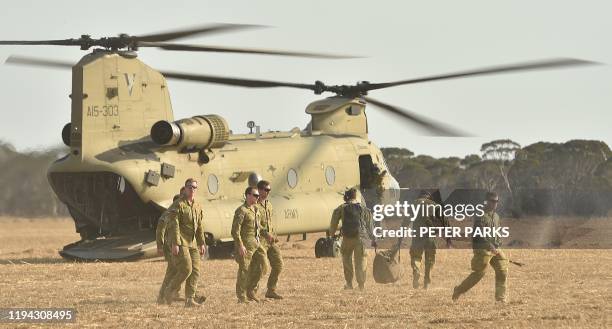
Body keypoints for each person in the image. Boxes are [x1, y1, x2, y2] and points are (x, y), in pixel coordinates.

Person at [452, 191, 508, 303]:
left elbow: (497, 232)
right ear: (486, 201)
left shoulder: (496, 216)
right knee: (479, 273)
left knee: (502, 270)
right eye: (492, 201)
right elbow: (478, 234)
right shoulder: (480, 216)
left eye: (496, 201)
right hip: (483, 249)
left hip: (495, 248)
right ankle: (458, 290)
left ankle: (500, 298)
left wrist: (498, 244)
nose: (495, 204)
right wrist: (489, 245)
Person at [164, 178, 207, 307]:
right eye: (189, 187)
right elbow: (174, 225)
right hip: (181, 241)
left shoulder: (197, 206)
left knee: (195, 270)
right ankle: (169, 290)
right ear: (185, 188)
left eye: (194, 187)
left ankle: (190, 299)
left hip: (192, 242)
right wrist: (175, 243)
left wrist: (201, 243)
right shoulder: (178, 204)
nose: (192, 189)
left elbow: (199, 226)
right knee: (186, 269)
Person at [329, 188, 376, 290]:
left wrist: (332, 234)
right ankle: (361, 285)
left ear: (347, 197)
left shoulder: (342, 207)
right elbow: (370, 225)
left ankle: (349, 283)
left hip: (347, 238)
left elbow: (334, 221)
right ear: (356, 197)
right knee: (361, 261)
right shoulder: (363, 208)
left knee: (346, 260)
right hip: (361, 239)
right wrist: (373, 238)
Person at [405, 190, 449, 290]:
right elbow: (444, 220)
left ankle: (416, 271)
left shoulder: (414, 204)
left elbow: (406, 221)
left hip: (417, 237)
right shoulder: (434, 205)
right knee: (429, 260)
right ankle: (427, 282)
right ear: (429, 197)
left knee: (416, 257)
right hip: (430, 237)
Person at [232, 186, 267, 303]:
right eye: (255, 195)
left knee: (263, 266)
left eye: (258, 195)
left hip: (256, 244)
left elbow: (259, 227)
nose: (258, 197)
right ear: (248, 195)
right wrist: (240, 245)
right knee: (244, 269)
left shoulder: (256, 210)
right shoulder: (242, 211)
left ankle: (251, 290)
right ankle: (241, 297)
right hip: (246, 245)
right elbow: (235, 231)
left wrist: (267, 235)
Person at [155, 187, 185, 304]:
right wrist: (160, 246)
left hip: (177, 245)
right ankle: (162, 295)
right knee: (173, 270)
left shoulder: (181, 212)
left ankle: (174, 293)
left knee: (178, 270)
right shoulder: (168, 214)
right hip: (170, 247)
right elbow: (160, 230)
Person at [256, 180, 284, 299]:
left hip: (271, 241)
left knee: (278, 264)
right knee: (261, 267)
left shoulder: (269, 204)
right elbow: (256, 224)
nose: (268, 192)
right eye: (266, 190)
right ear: (260, 190)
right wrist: (265, 233)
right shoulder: (254, 205)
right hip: (260, 240)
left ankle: (271, 290)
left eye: (269, 190)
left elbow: (270, 223)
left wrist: (273, 235)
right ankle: (252, 291)